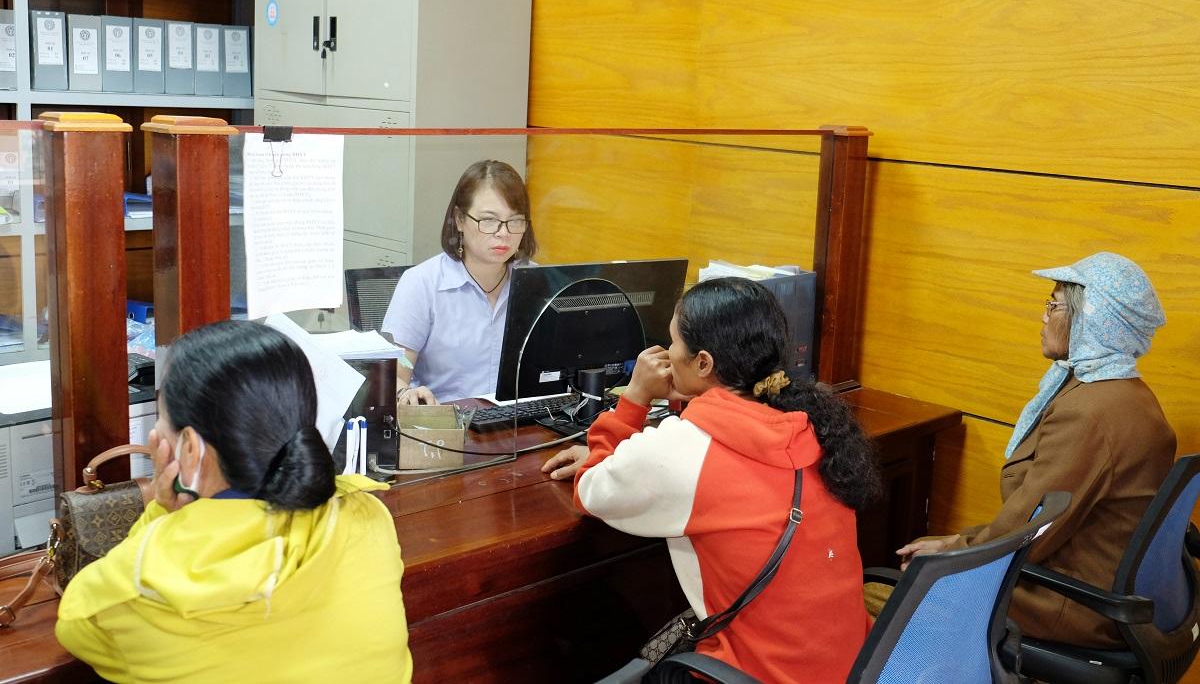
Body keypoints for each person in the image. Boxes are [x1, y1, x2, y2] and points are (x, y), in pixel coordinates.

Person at [56, 320, 413, 684]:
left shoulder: (140, 587)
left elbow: (74, 622)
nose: (155, 433)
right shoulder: (368, 517)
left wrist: (161, 512)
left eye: (161, 418)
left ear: (189, 449)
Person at [573, 277, 880, 683]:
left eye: (673, 342)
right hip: (852, 666)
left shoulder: (686, 448)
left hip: (758, 675)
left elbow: (591, 491)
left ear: (703, 362)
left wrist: (633, 400)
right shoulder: (814, 425)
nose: (668, 353)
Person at [897, 251, 1177, 648]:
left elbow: (1029, 531)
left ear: (1091, 319)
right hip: (1096, 582)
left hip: (1071, 603)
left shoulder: (1092, 413)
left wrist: (952, 552)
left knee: (893, 595)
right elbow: (1040, 517)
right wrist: (958, 541)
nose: (1044, 316)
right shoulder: (1129, 394)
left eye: (1054, 305)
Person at [382, 159, 537, 405]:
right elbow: (395, 374)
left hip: (524, 421)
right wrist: (405, 393)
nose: (503, 233)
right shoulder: (422, 284)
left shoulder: (539, 284)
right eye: (489, 220)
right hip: (447, 421)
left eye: (515, 220)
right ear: (459, 219)